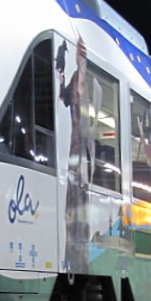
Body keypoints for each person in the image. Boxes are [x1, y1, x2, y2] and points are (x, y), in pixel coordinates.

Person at [58, 37, 92, 273]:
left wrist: (81, 64)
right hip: (74, 164)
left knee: (75, 214)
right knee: (72, 214)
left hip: (77, 166)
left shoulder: (79, 120)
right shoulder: (72, 113)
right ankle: (72, 257)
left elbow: (78, 86)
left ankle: (75, 258)